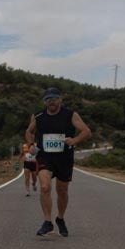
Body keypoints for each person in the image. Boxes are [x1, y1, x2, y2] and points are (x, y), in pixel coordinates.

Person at [26, 87, 91, 237]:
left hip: (64, 158)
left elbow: (86, 131)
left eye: (54, 98)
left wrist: (74, 140)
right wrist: (30, 145)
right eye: (48, 99)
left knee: (62, 191)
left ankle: (60, 219)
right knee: (45, 186)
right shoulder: (38, 116)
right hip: (44, 157)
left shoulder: (70, 115)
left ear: (60, 100)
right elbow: (29, 131)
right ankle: (48, 222)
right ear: (45, 102)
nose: (52, 102)